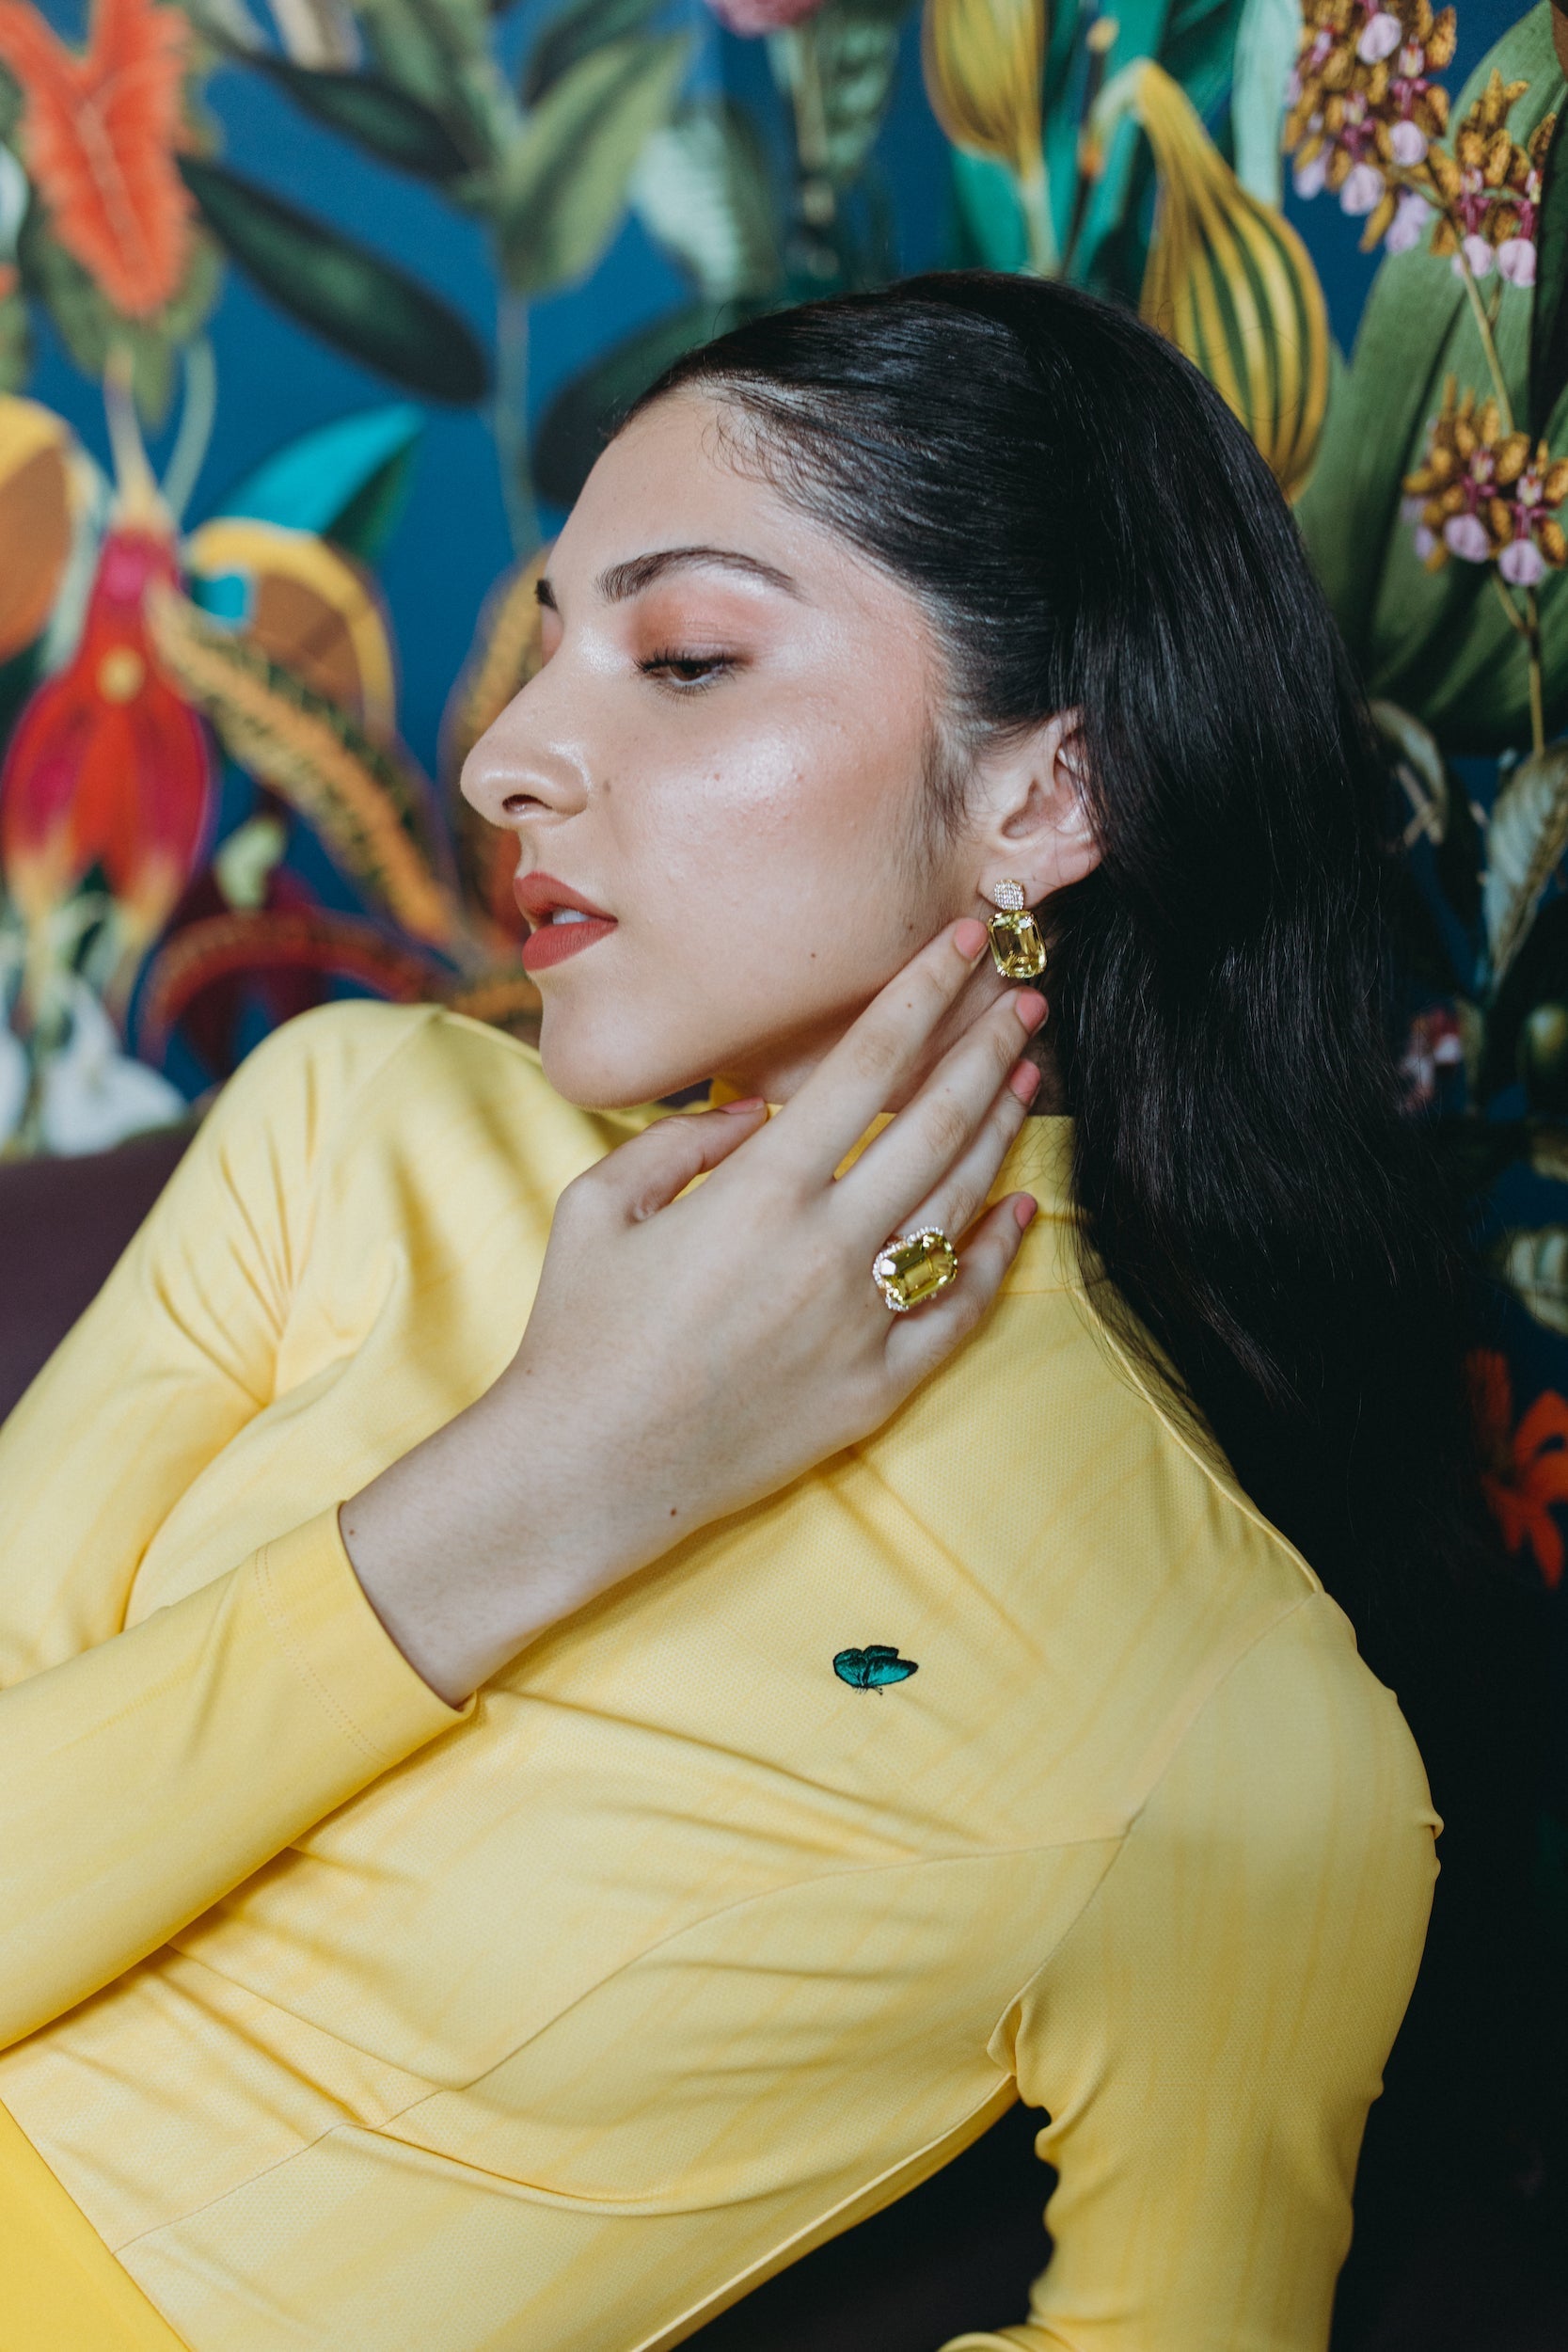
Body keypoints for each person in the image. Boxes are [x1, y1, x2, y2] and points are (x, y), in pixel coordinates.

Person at [0, 272, 1489, 2352]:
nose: (509, 753)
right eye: (543, 641)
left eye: (685, 656)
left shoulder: (1230, 1719)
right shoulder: (355, 1123)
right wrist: (550, 1476)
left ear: (1049, 797)